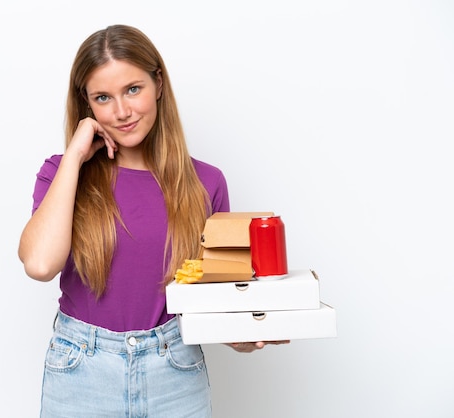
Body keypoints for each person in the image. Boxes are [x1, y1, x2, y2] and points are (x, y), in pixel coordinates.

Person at [18, 24, 288, 417]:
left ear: (158, 83)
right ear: (86, 105)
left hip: (175, 372)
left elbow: (213, 293)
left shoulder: (205, 183)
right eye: (102, 97)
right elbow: (40, 264)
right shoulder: (61, 175)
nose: (122, 111)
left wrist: (241, 335)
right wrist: (75, 157)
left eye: (133, 89)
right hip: (82, 373)